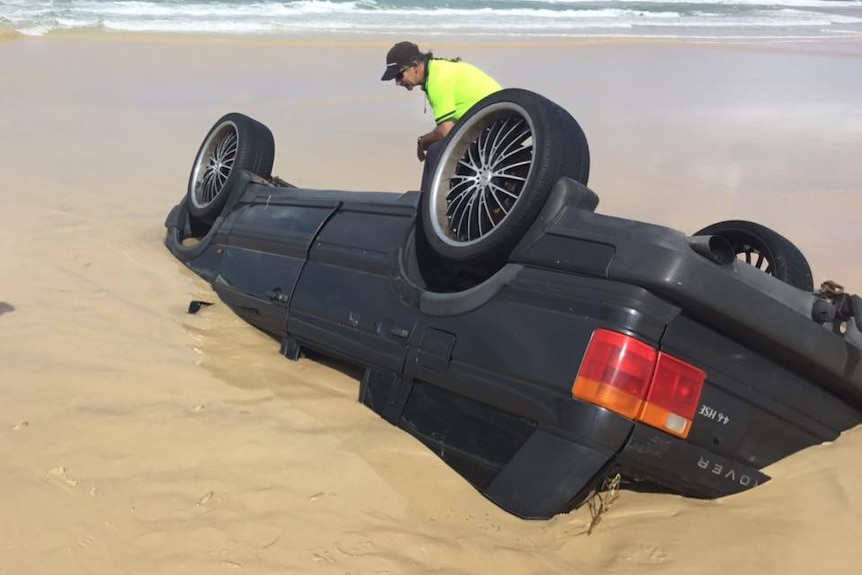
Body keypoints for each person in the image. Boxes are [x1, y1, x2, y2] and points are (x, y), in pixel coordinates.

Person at [380, 41, 501, 191]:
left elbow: (446, 131)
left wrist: (422, 141)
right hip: (498, 120)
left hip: (495, 128)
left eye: (399, 75)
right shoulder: (440, 67)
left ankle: (427, 210)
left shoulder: (437, 81)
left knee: (434, 151)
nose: (397, 82)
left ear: (415, 66)